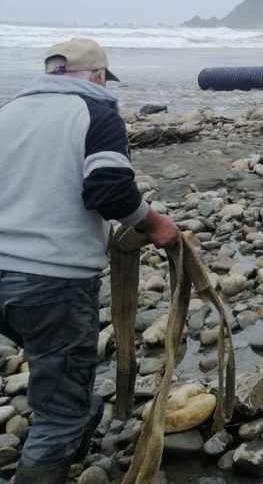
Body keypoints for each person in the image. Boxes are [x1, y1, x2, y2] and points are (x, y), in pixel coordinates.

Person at [0, 38, 180, 483]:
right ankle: (54, 449)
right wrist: (154, 224)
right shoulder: (96, 112)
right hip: (50, 280)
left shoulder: (8, 113)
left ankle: (73, 436)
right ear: (97, 76)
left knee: (52, 367)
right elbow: (109, 190)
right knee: (60, 407)